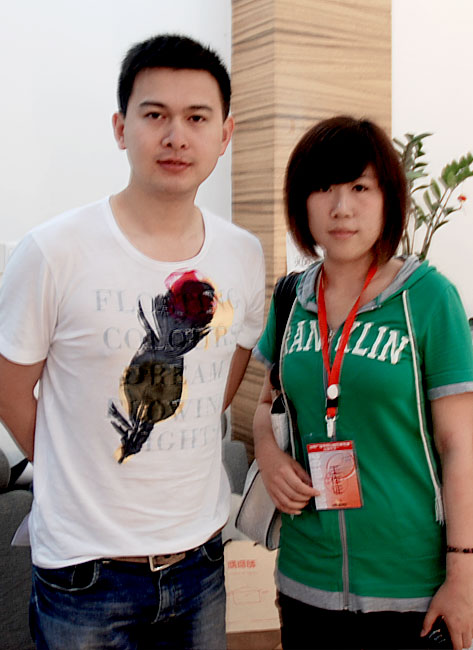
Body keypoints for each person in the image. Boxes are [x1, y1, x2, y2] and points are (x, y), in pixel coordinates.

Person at [0, 34, 265, 650]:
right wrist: (75, 464)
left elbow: (227, 369)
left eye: (196, 118)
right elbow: (10, 389)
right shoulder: (53, 251)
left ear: (225, 134)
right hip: (86, 574)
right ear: (121, 128)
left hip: (201, 561)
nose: (176, 136)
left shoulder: (242, 253)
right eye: (155, 115)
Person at [253, 116, 473, 650]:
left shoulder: (428, 299)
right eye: (323, 188)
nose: (341, 208)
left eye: (359, 188)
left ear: (387, 198)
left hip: (411, 586)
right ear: (301, 203)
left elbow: (460, 445)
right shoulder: (291, 299)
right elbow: (266, 404)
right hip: (306, 578)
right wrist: (269, 455)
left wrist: (463, 573)